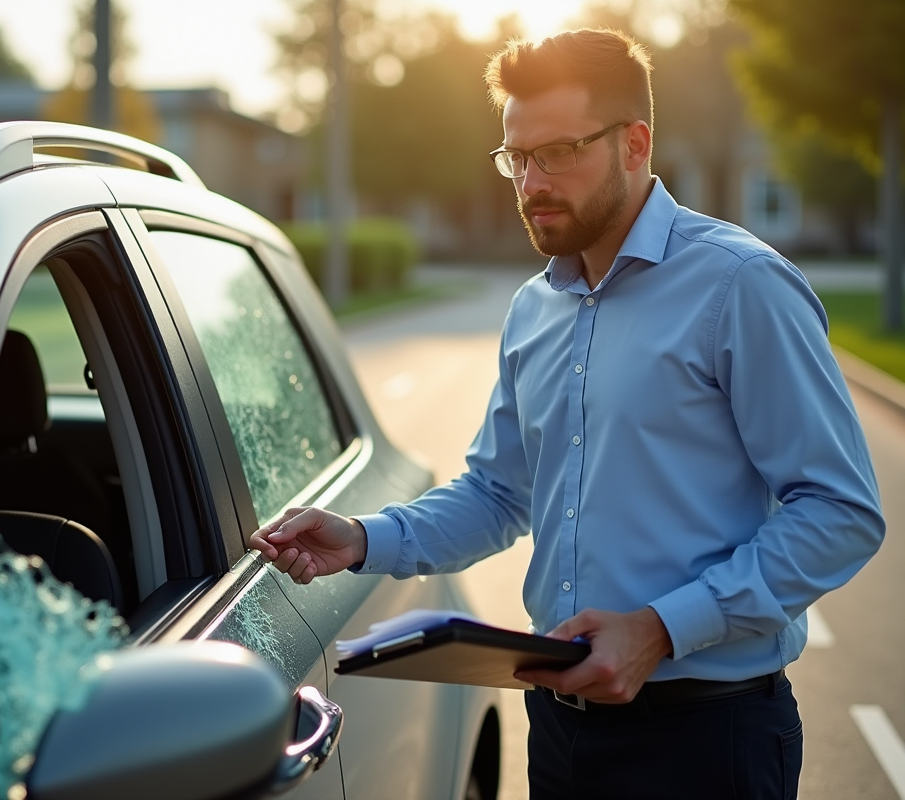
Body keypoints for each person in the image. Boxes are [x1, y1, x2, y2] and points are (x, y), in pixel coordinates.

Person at [248, 27, 885, 800]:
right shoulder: (532, 309)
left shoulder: (741, 286)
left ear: (636, 143)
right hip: (556, 732)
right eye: (517, 157)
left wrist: (659, 629)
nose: (530, 182)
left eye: (558, 152)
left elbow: (841, 511)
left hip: (708, 741)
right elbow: (498, 495)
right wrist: (360, 540)